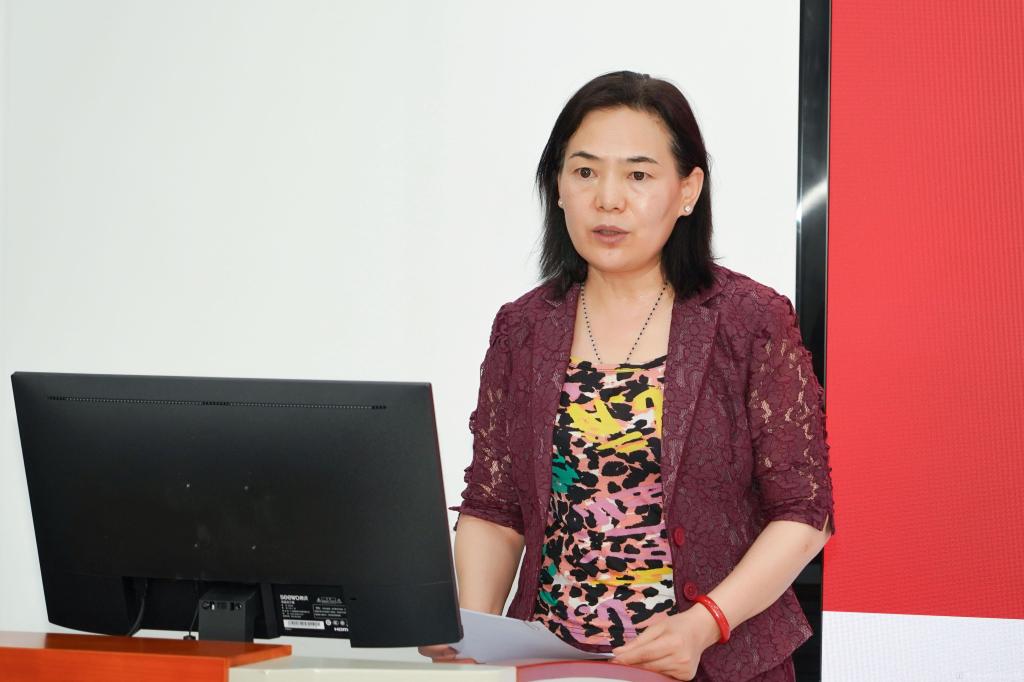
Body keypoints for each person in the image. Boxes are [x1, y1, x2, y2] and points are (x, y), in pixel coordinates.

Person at [421, 71, 835, 682]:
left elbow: (804, 511)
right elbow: (495, 505)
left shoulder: (750, 320)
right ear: (557, 187)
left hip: (707, 663)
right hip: (550, 663)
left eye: (638, 176)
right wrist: (472, 631)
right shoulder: (523, 327)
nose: (608, 199)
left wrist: (705, 624)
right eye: (585, 172)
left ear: (688, 190)